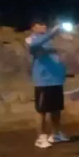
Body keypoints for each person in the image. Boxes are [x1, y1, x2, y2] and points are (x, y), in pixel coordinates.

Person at [26, 20, 70, 148]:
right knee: (41, 111)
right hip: (43, 82)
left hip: (56, 81)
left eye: (45, 24)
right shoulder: (31, 40)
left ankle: (55, 134)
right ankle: (41, 137)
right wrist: (53, 32)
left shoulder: (49, 41)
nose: (44, 26)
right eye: (41, 24)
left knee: (56, 109)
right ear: (33, 27)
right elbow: (35, 44)